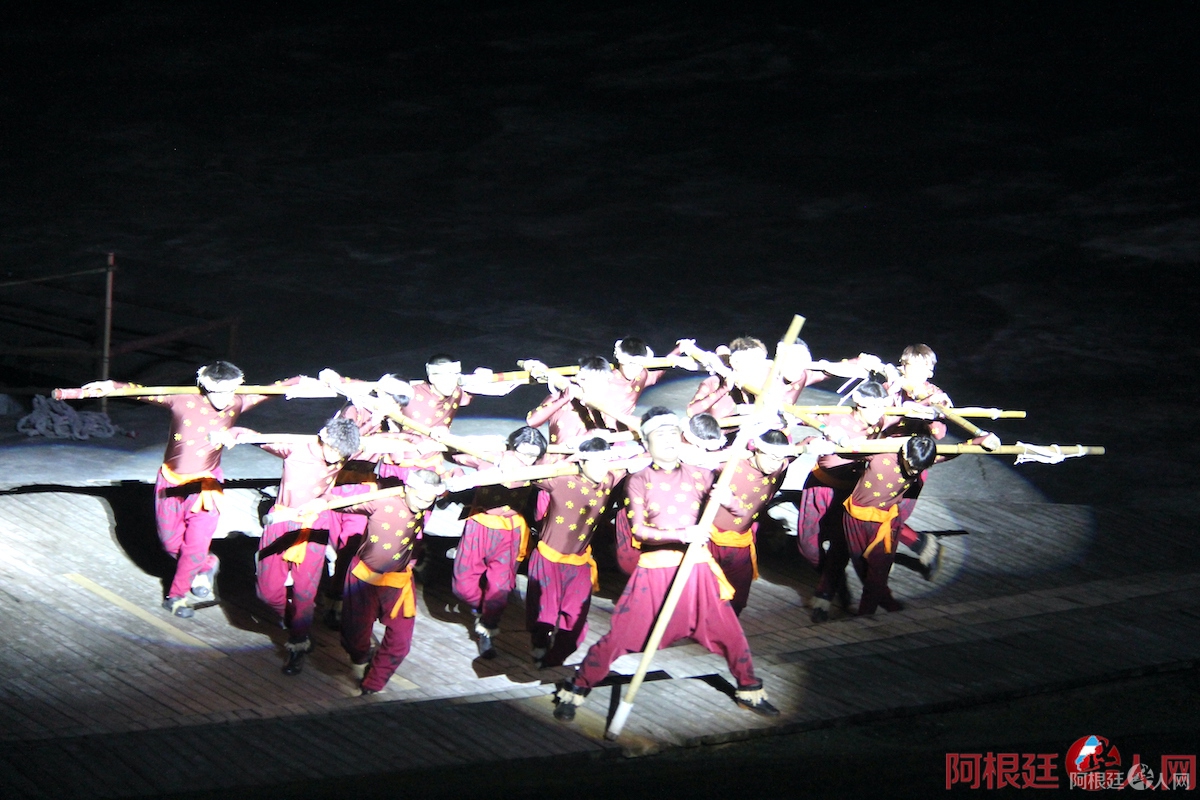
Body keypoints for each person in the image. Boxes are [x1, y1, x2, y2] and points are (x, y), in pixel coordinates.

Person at [553, 408, 778, 721]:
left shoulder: (702, 474)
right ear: (647, 443)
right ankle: (578, 687)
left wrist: (728, 500)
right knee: (621, 637)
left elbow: (741, 512)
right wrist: (684, 534)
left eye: (673, 433)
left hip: (697, 569)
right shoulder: (638, 480)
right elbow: (639, 531)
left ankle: (749, 688)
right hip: (655, 572)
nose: (669, 440)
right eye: (660, 435)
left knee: (730, 632)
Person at [81, 362, 286, 618]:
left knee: (194, 545)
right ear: (204, 385)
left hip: (206, 488)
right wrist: (111, 386)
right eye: (215, 391)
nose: (222, 399)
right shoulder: (182, 400)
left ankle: (176, 596)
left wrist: (308, 382)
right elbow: (141, 392)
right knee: (171, 544)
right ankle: (206, 564)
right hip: (171, 483)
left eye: (228, 391)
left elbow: (274, 389)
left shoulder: (238, 402)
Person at [213, 418, 361, 675]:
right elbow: (254, 436)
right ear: (324, 436)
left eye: (341, 455)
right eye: (333, 450)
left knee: (305, 592)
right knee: (267, 591)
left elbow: (385, 443)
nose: (336, 458)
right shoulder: (295, 448)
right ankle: (296, 622)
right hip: (281, 522)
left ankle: (299, 641)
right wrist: (232, 433)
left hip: (315, 525)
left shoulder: (346, 451)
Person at [829, 431, 999, 615]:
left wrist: (982, 439)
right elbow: (845, 451)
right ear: (904, 453)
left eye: (919, 469)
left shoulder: (922, 459)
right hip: (855, 518)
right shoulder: (880, 453)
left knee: (878, 570)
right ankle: (888, 603)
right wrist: (829, 440)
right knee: (862, 564)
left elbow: (956, 450)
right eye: (911, 466)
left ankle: (866, 614)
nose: (914, 472)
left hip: (886, 522)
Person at [337, 469, 445, 695]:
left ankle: (373, 684)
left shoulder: (427, 501)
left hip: (398, 581)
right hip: (364, 578)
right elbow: (338, 502)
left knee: (400, 642)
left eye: (428, 501)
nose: (422, 505)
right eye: (419, 498)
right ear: (408, 488)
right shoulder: (380, 502)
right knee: (354, 636)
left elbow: (454, 484)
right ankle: (360, 658)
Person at [526, 437, 627, 667]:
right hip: (548, 560)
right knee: (544, 615)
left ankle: (554, 658)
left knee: (576, 619)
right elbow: (529, 470)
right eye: (596, 462)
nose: (602, 468)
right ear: (581, 462)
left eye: (605, 461)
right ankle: (539, 644)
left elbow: (643, 456)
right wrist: (565, 458)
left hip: (580, 563)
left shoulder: (609, 478)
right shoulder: (560, 479)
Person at [449, 426, 547, 657]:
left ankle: (488, 626)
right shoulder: (489, 458)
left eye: (533, 456)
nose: (527, 460)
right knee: (462, 586)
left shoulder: (541, 466)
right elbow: (454, 453)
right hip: (479, 525)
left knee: (500, 588)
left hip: (510, 532)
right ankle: (480, 609)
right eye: (523, 453)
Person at [708, 429, 798, 615]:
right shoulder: (731, 464)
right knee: (704, 590)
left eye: (779, 459)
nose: (774, 464)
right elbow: (696, 461)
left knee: (738, 596)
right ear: (756, 449)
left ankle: (727, 626)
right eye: (771, 457)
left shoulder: (780, 465)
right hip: (709, 539)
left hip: (741, 541)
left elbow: (802, 448)